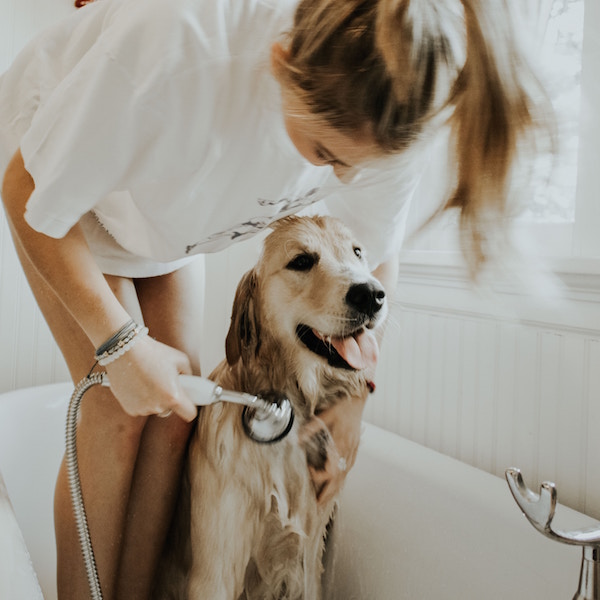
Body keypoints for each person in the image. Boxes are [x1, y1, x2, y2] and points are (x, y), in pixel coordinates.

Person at [0, 0, 549, 598]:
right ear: (281, 62)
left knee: (175, 418)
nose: (342, 180)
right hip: (60, 184)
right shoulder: (177, 44)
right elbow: (25, 192)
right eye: (326, 155)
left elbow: (379, 256)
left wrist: (357, 395)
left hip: (170, 209)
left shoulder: (386, 105)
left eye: (357, 167)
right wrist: (120, 345)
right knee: (116, 409)